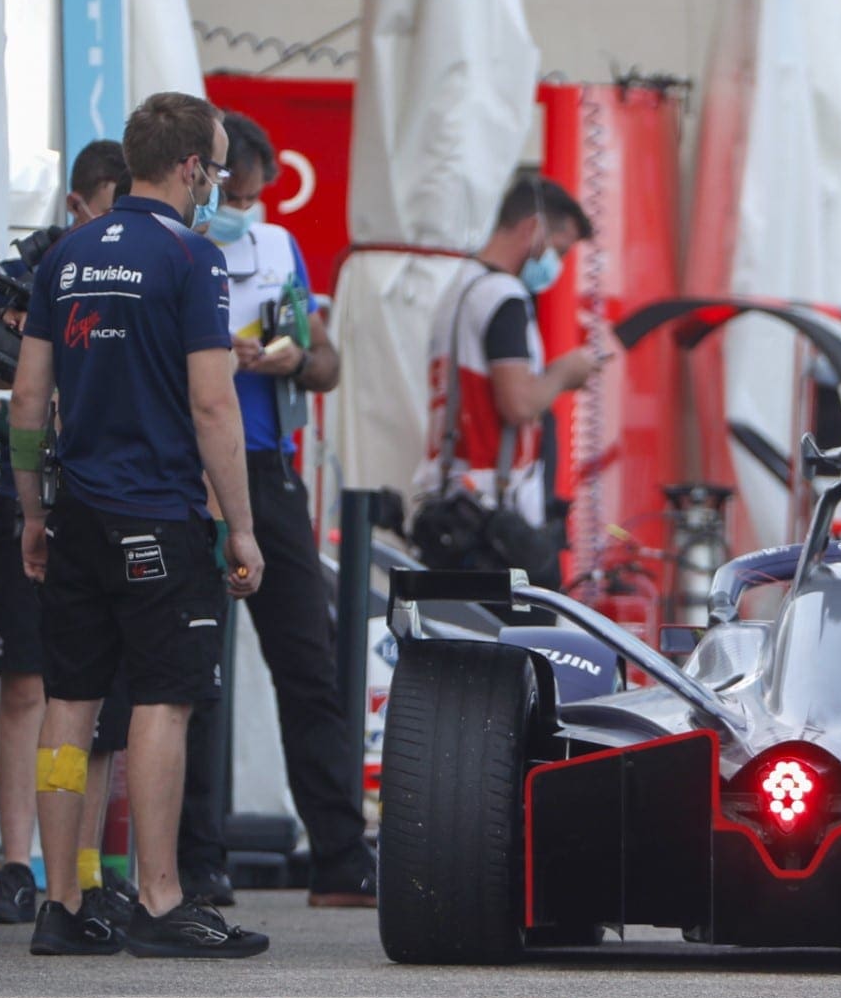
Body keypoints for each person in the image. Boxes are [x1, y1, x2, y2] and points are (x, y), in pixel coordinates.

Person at [12, 90, 269, 958]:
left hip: (78, 513)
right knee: (165, 699)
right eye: (218, 169)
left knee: (69, 704)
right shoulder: (193, 260)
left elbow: (26, 400)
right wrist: (241, 526)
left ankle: (61, 901)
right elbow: (211, 400)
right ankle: (161, 899)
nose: (217, 187)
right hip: (158, 513)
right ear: (192, 167)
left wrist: (33, 511)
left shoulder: (66, 255)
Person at [172, 111, 376, 910]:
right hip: (188, 470)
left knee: (307, 661)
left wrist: (293, 353)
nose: (243, 206)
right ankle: (196, 856)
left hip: (268, 466)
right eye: (235, 188)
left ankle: (338, 854)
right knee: (191, 669)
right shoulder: (175, 246)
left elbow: (324, 359)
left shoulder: (274, 247)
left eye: (253, 194)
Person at [0, 140, 135, 928]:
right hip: (33, 495)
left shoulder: (159, 264)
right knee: (28, 685)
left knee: (101, 700)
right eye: (110, 207)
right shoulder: (30, 272)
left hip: (111, 499)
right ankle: (14, 863)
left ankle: (86, 872)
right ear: (77, 205)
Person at [413, 172, 599, 587]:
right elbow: (517, 403)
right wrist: (564, 373)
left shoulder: (459, 288)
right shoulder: (504, 297)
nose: (558, 266)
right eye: (559, 250)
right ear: (532, 229)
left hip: (451, 504)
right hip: (494, 522)